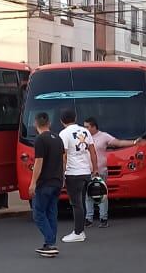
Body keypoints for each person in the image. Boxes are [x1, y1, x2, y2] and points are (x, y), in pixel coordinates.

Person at [83, 116, 142, 228]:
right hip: (86, 171)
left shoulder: (104, 136)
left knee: (102, 195)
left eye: (87, 127)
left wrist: (134, 142)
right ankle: (88, 219)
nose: (84, 129)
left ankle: (103, 218)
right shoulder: (83, 137)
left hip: (101, 171)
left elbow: (118, 143)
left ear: (94, 127)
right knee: (88, 196)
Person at [28, 112, 64, 257]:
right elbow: (64, 159)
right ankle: (50, 243)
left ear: (36, 124)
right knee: (51, 213)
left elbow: (39, 162)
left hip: (45, 182)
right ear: (49, 123)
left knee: (38, 213)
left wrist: (33, 183)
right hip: (57, 181)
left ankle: (49, 243)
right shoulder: (58, 139)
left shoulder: (40, 140)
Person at [59, 109, 97, 243]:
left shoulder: (63, 134)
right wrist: (95, 169)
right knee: (82, 202)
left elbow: (63, 156)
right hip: (86, 171)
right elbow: (92, 151)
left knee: (76, 203)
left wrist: (62, 174)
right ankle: (81, 230)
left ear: (62, 121)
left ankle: (78, 232)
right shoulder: (85, 131)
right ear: (75, 118)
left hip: (73, 173)